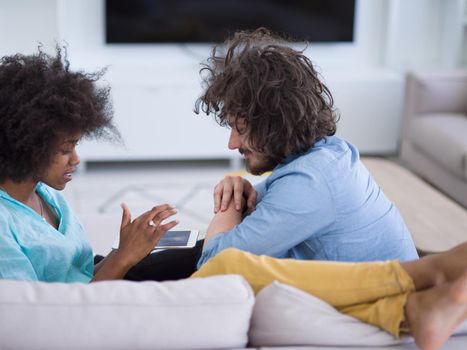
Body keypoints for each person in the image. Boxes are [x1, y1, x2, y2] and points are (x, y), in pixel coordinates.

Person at [194, 28, 418, 267]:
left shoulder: (311, 181)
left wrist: (228, 204)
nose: (232, 144)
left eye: (241, 129)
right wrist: (237, 188)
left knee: (180, 262)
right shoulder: (330, 153)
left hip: (391, 302)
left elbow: (211, 265)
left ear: (277, 122)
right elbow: (259, 206)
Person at [0, 47, 180, 282]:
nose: (76, 160)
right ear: (25, 145)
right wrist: (122, 258)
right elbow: (41, 312)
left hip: (98, 296)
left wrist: (126, 248)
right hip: (82, 315)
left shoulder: (46, 196)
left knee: (196, 254)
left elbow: (80, 275)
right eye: (65, 150)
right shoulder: (5, 223)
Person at [192, 240, 467, 350]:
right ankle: (426, 272)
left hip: (161, 284)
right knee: (226, 265)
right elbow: (209, 260)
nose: (231, 144)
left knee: (236, 272)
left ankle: (408, 310)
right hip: (167, 288)